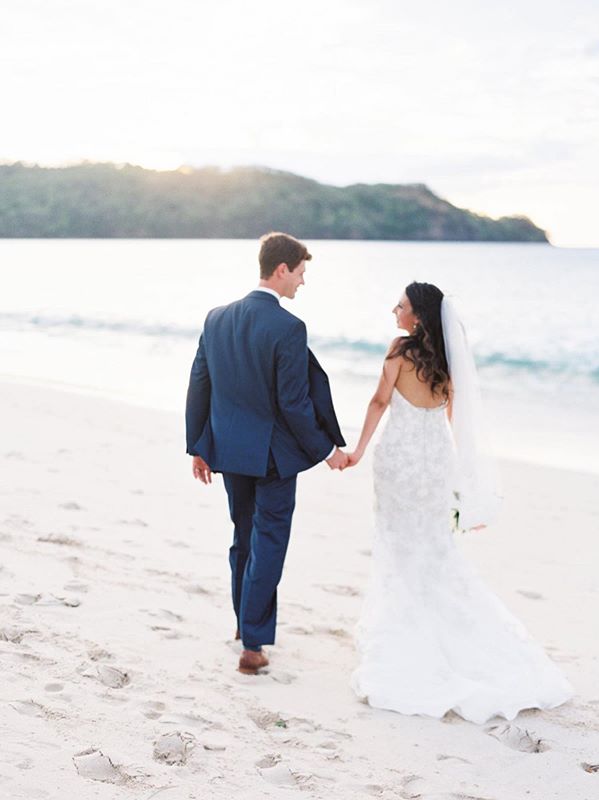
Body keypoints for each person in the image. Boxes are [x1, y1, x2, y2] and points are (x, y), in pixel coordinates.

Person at [345, 281, 573, 723]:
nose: (394, 310)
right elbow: (457, 423)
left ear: (417, 316)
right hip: (434, 462)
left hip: (398, 460)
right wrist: (465, 483)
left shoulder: (398, 350)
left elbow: (378, 401)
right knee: (434, 546)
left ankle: (406, 634)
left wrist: (356, 451)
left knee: (397, 542)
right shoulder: (449, 361)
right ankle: (440, 626)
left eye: (402, 305)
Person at [185, 232, 347, 674]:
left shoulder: (216, 318)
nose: (301, 282)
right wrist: (327, 448)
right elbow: (293, 403)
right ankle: (253, 643)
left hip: (229, 451)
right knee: (269, 541)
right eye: (300, 273)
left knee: (243, 537)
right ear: (281, 269)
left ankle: (244, 621)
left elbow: (200, 384)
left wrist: (198, 446)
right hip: (273, 456)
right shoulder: (288, 327)